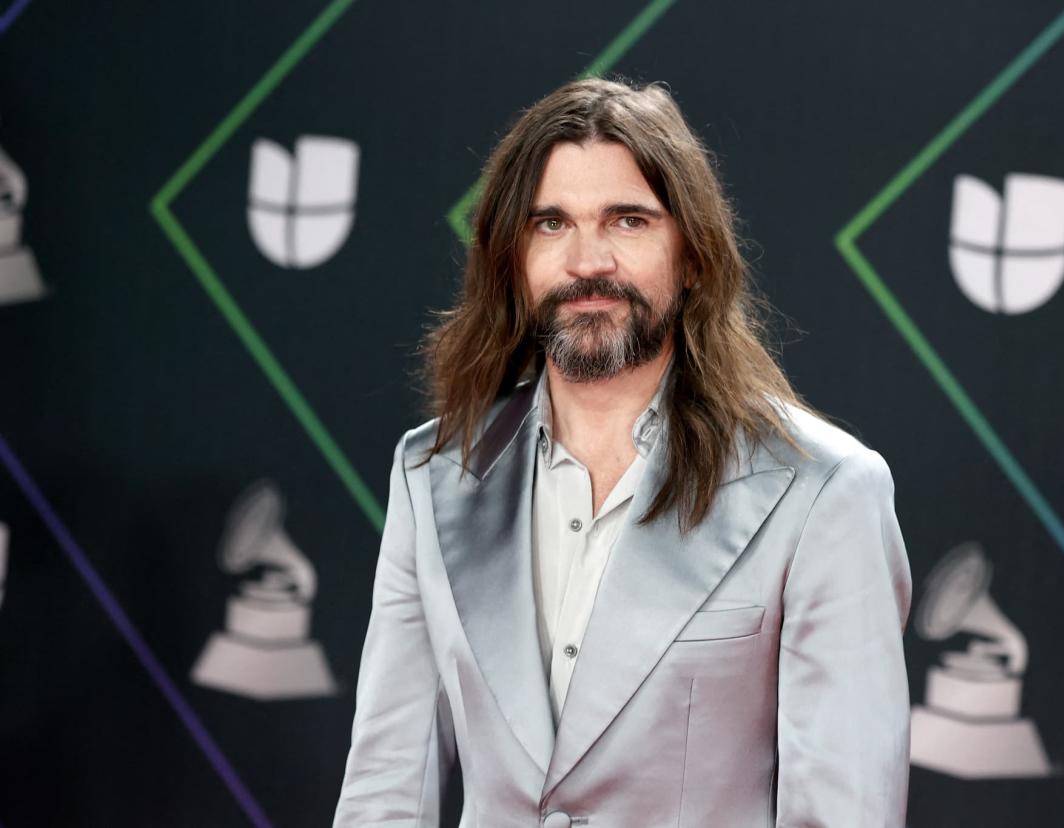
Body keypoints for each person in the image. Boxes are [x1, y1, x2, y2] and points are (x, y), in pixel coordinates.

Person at [334, 77, 912, 828]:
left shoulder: (824, 490)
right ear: (511, 257)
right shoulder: (433, 472)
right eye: (550, 224)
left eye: (628, 220)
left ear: (693, 253)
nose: (587, 260)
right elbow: (384, 786)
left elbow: (846, 814)